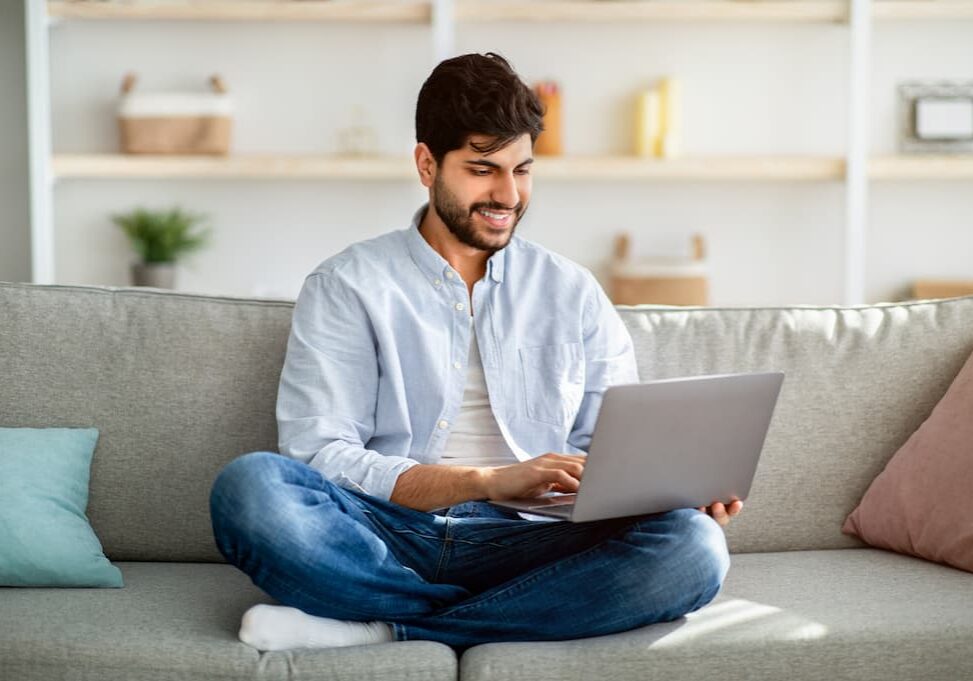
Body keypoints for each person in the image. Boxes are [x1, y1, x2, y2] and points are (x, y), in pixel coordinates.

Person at [209, 52, 740, 652]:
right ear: (426, 163)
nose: (508, 195)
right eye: (483, 170)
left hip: (534, 541)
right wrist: (487, 481)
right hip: (386, 534)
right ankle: (501, 615)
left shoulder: (572, 291)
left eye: (523, 170)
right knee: (251, 488)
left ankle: (387, 626)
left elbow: (608, 449)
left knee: (693, 545)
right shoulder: (348, 284)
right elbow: (321, 454)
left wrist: (666, 488)